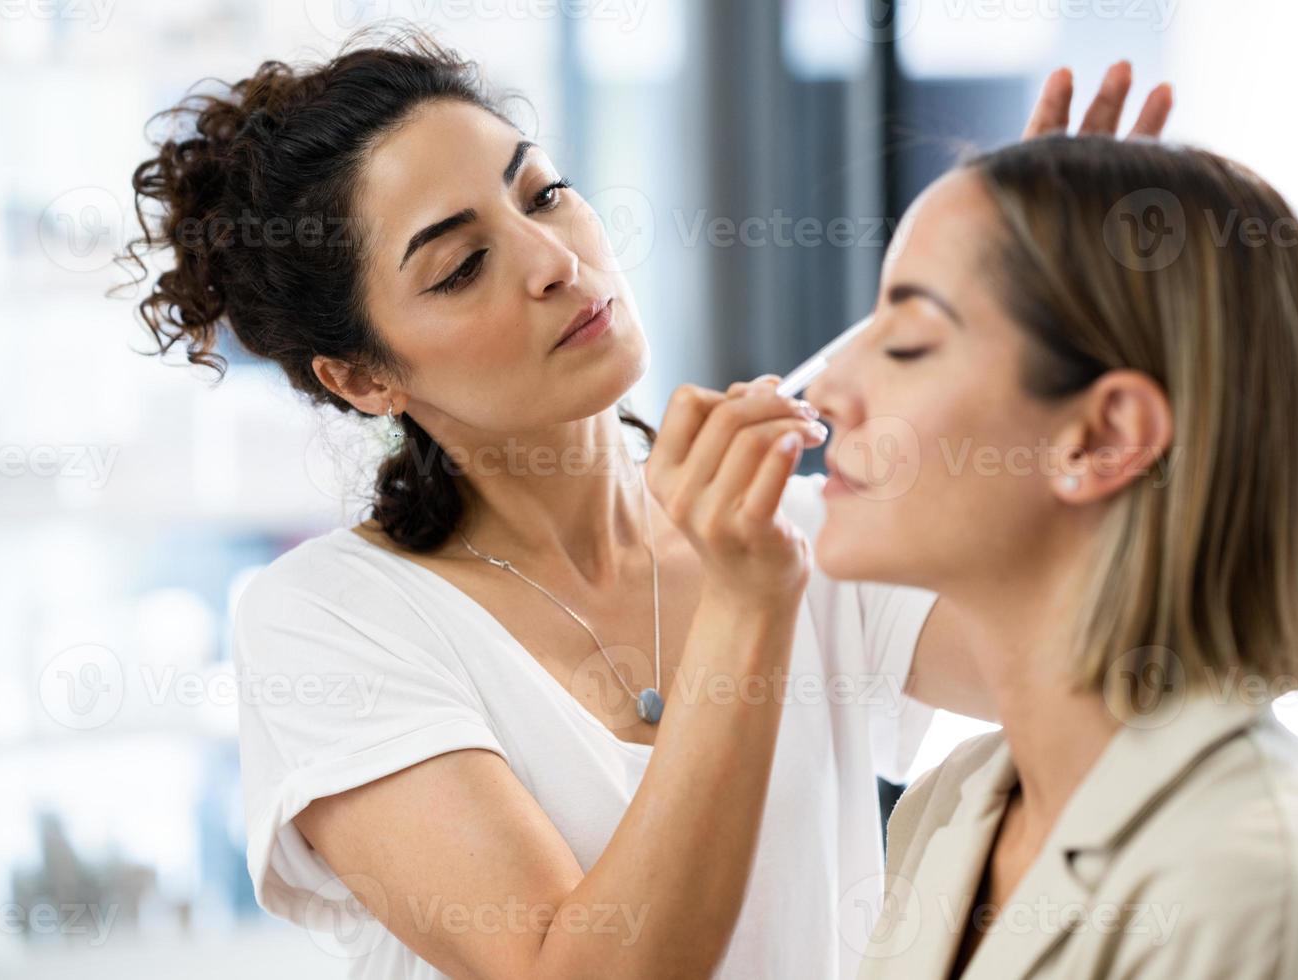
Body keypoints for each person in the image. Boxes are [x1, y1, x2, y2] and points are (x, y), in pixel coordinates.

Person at [119, 23, 1170, 979]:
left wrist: (1059, 338)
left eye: (543, 193)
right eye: (462, 264)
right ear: (363, 377)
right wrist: (747, 605)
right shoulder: (329, 615)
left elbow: (1116, 660)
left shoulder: (805, 529)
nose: (553, 258)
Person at [801, 134, 1298, 978]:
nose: (825, 390)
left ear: (1102, 437)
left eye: (905, 340)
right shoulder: (954, 807)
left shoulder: (1265, 876)